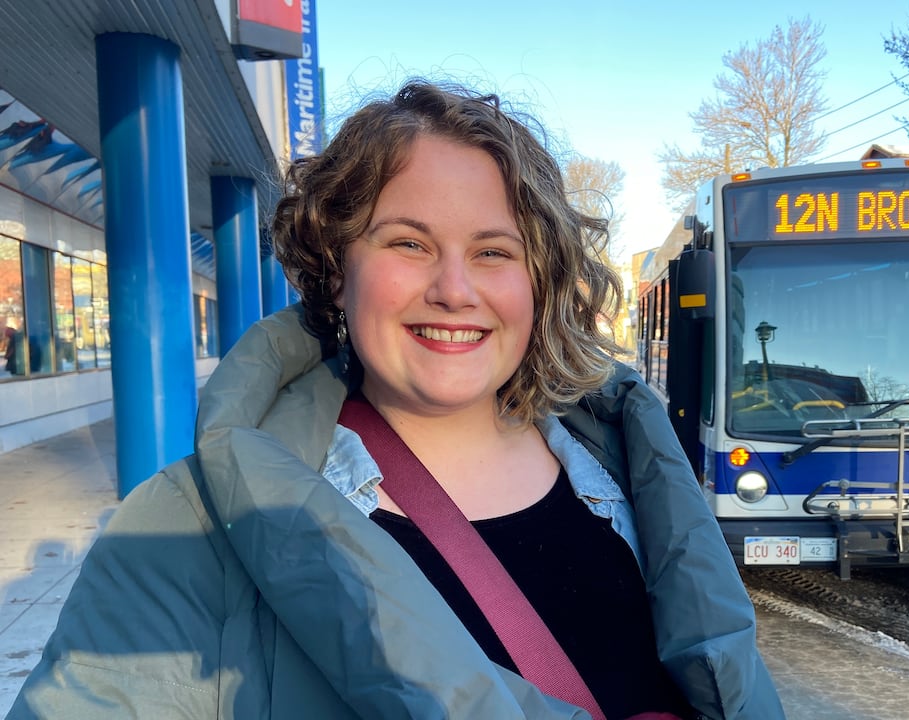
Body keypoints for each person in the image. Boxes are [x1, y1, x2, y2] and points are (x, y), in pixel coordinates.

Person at [11, 81, 784, 719]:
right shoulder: (190, 528)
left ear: (538, 283)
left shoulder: (626, 467)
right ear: (335, 269)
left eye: (493, 252)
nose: (454, 290)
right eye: (408, 243)